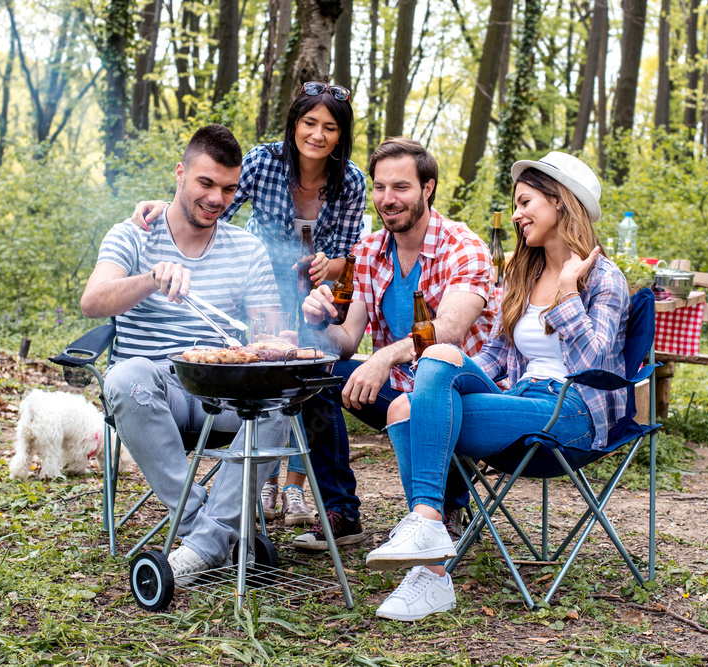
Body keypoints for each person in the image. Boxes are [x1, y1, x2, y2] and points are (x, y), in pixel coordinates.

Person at [366, 151, 629, 622]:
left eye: (526, 202)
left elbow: (595, 364)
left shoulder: (604, 278)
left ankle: (429, 554)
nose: (516, 214)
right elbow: (497, 356)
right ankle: (430, 554)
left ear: (561, 204)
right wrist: (448, 369)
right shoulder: (523, 274)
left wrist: (569, 294)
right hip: (519, 402)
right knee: (406, 402)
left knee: (417, 398)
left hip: (570, 416)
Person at [130, 82, 367, 526]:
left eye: (329, 127)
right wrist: (166, 206)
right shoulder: (263, 161)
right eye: (309, 122)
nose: (317, 134)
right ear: (294, 123)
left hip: (315, 288)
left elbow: (353, 256)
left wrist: (328, 266)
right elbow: (212, 207)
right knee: (263, 377)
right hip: (257, 286)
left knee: (313, 375)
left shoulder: (350, 181)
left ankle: (311, 495)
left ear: (341, 135)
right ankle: (262, 487)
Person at [80, 125, 288, 584]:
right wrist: (151, 278)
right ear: (180, 173)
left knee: (282, 400)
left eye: (230, 189)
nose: (217, 198)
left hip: (224, 390)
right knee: (123, 378)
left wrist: (282, 334)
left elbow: (268, 333)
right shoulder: (133, 235)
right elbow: (92, 301)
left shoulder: (246, 249)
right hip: (157, 390)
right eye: (206, 183)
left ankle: (201, 545)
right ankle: (213, 533)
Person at [296, 137, 496, 551]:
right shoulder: (368, 252)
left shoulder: (466, 247)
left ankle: (448, 508)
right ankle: (341, 513)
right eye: (380, 187)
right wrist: (318, 323)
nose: (388, 199)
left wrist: (384, 357)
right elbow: (347, 341)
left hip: (461, 391)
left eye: (401, 187)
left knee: (431, 388)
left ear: (428, 188)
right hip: (400, 386)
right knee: (314, 373)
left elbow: (452, 330)